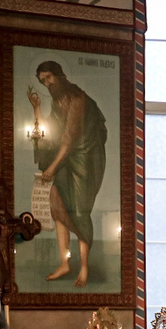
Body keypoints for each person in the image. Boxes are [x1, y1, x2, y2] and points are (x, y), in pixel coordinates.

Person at [28, 60, 107, 288]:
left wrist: (52, 167)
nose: (47, 83)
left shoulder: (77, 99)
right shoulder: (57, 101)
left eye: (49, 77)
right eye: (43, 81)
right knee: (57, 203)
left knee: (80, 211)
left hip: (85, 159)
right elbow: (50, 133)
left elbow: (69, 138)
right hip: (65, 157)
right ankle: (65, 263)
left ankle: (84, 266)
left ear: (59, 75)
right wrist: (36, 108)